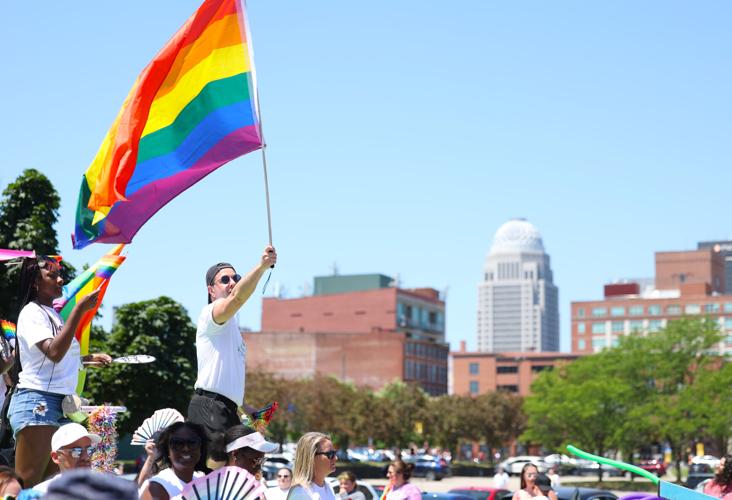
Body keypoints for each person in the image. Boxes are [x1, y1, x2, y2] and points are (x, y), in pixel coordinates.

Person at [9, 256, 111, 487]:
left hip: (57, 405)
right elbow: (53, 353)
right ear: (35, 282)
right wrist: (78, 311)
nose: (60, 279)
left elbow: (55, 358)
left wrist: (84, 359)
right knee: (27, 486)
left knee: (55, 485)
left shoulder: (51, 314)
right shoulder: (32, 312)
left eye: (60, 274)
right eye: (52, 275)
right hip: (38, 402)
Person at [187, 247, 277, 453]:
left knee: (238, 469)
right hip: (209, 407)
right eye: (224, 280)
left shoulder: (232, 327)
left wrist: (246, 407)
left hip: (227, 410)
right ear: (211, 290)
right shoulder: (210, 313)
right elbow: (237, 298)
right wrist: (262, 267)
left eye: (235, 277)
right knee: (215, 474)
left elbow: (226, 375)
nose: (232, 282)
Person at [139, 421, 208, 500]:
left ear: (201, 449)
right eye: (178, 443)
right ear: (168, 451)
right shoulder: (156, 487)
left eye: (192, 443)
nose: (186, 448)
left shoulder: (204, 481)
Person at [32, 423, 101, 494]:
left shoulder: (104, 488)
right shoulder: (42, 492)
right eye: (76, 451)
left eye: (89, 450)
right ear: (56, 457)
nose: (85, 457)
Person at [288, 432, 337, 500]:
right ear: (311, 457)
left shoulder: (328, 487)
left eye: (335, 453)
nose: (336, 458)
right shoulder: (300, 492)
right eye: (330, 454)